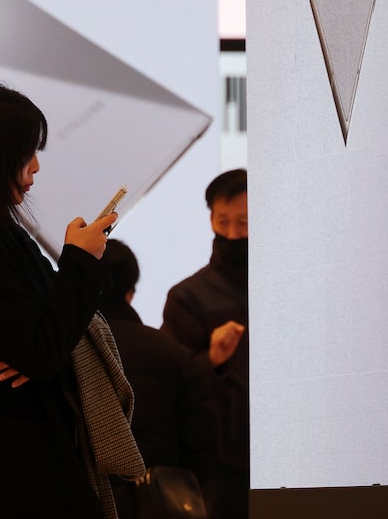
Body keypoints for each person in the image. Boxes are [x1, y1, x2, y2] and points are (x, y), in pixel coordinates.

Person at [0, 80, 126, 519]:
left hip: (25, 462)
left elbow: (42, 337)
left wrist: (34, 346)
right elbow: (43, 345)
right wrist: (78, 263)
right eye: (25, 152)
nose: (35, 167)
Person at [99, 239, 218, 519]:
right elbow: (202, 446)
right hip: (158, 504)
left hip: (83, 501)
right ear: (130, 292)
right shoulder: (174, 355)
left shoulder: (63, 352)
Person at [161, 169, 249, 519]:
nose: (231, 233)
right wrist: (212, 358)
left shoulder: (285, 281)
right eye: (222, 220)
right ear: (211, 217)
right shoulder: (187, 297)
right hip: (221, 459)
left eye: (243, 222)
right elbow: (174, 381)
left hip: (295, 445)